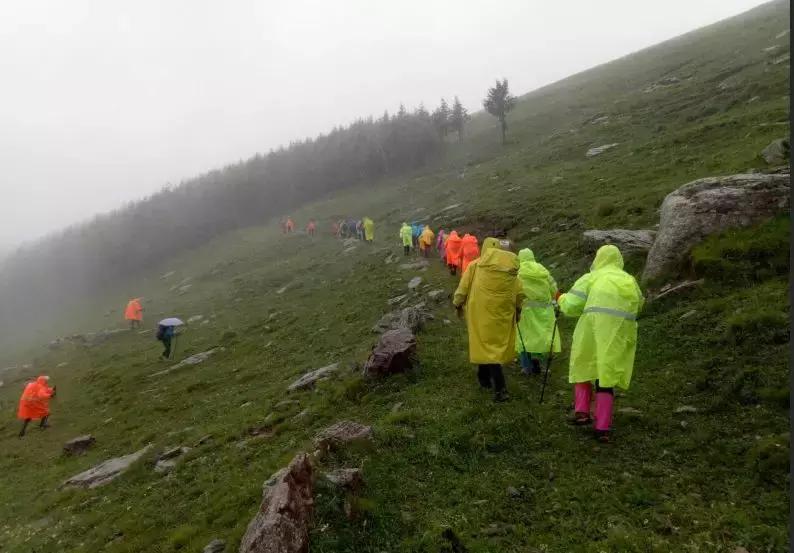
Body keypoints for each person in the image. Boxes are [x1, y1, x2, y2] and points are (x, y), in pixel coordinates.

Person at [558, 244, 644, 443]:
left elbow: (571, 305)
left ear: (598, 259)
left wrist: (560, 298)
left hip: (591, 330)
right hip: (618, 333)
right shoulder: (630, 280)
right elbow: (639, 304)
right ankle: (602, 427)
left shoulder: (592, 277)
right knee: (606, 374)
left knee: (583, 365)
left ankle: (582, 412)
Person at [453, 237, 524, 402]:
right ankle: (483, 377)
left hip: (480, 313)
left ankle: (501, 389)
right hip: (503, 313)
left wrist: (457, 303)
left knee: (487, 347)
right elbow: (520, 292)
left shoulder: (475, 265)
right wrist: (518, 309)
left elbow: (463, 288)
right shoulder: (509, 270)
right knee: (492, 345)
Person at [515, 248, 561, 375]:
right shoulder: (543, 271)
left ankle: (527, 367)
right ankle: (543, 365)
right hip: (545, 311)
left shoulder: (518, 273)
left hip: (525, 312)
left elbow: (514, 290)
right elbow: (554, 289)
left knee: (525, 338)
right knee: (543, 338)